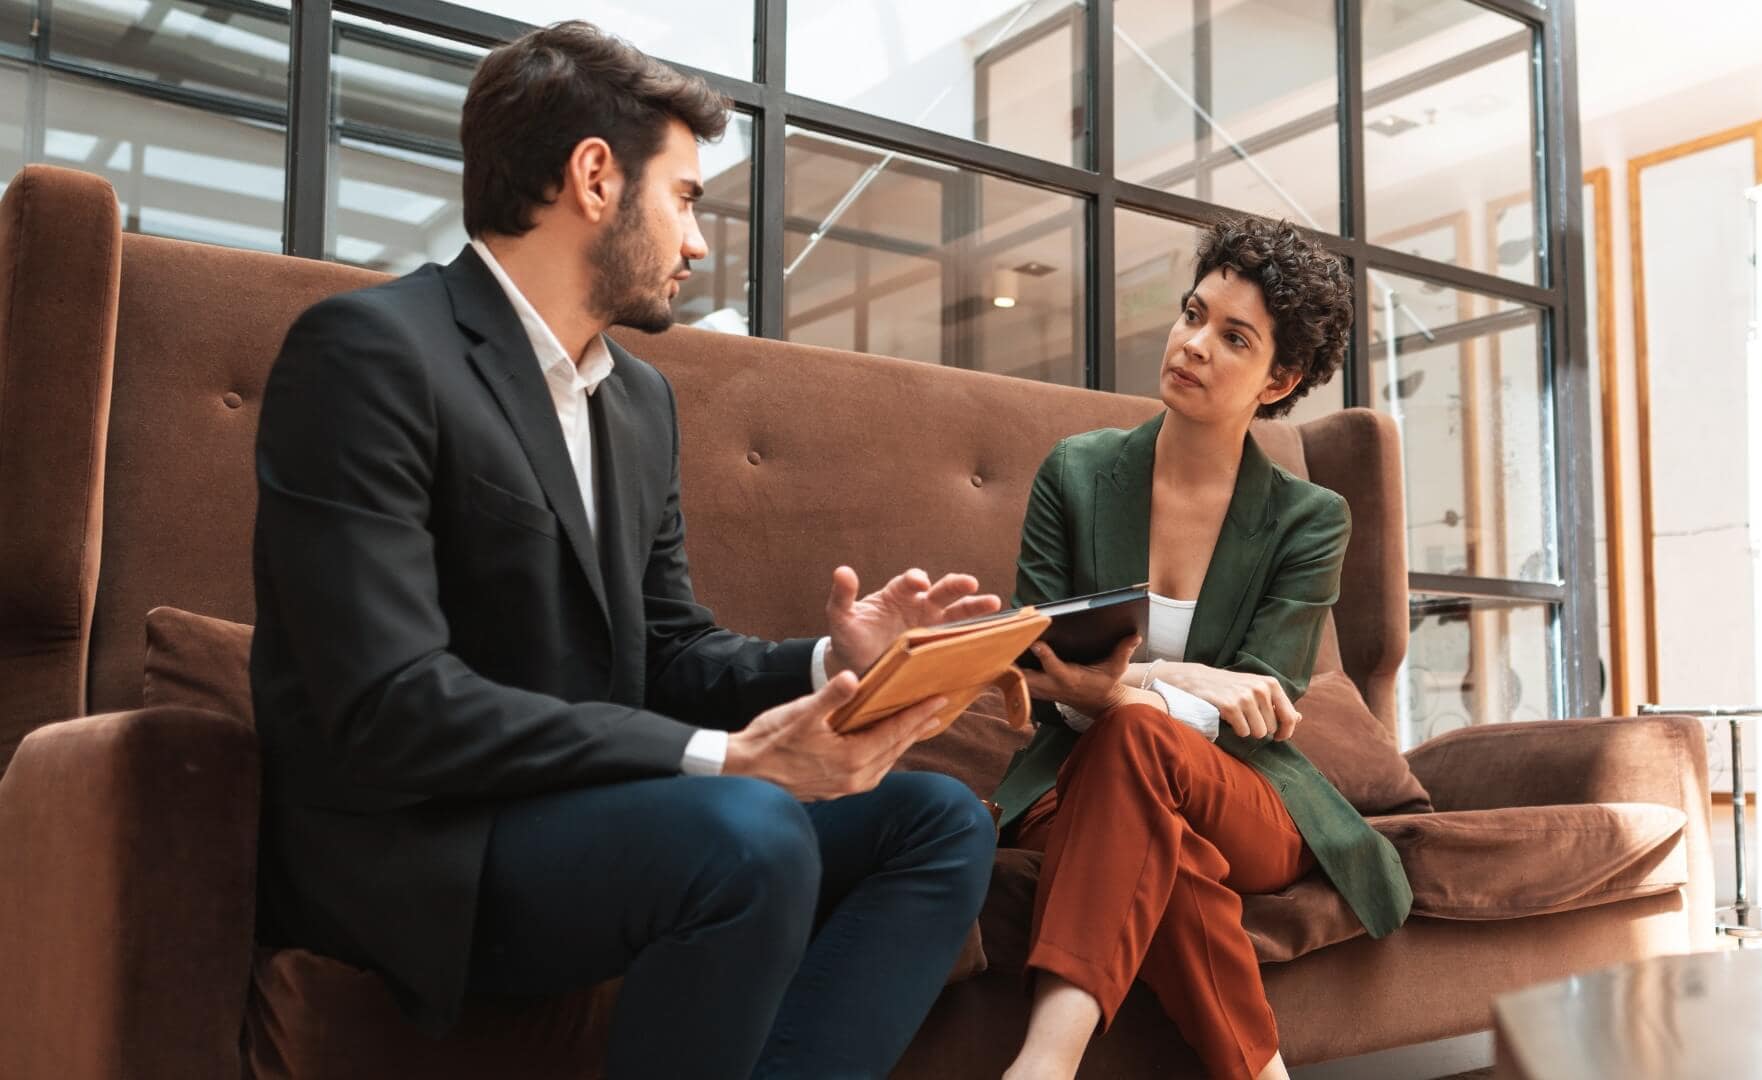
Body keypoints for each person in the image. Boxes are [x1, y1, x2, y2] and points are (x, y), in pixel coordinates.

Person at [249, 21, 998, 1079]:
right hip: (428, 846)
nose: (698, 243)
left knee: (939, 821)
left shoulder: (638, 401)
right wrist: (727, 759)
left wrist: (837, 663)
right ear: (594, 177)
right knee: (753, 832)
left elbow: (669, 649)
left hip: (597, 817)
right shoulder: (370, 355)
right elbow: (392, 705)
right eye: (685, 197)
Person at [989, 217, 1413, 1080]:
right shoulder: (1075, 473)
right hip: (1072, 783)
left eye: (1233, 338)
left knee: (1136, 734)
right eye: (1192, 314)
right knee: (1158, 828)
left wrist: (1120, 692)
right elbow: (1031, 662)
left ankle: (1042, 1065)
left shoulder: (1309, 518)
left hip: (1248, 792)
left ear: (1279, 378)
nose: (1192, 345)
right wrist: (1175, 675)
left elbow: (1258, 702)